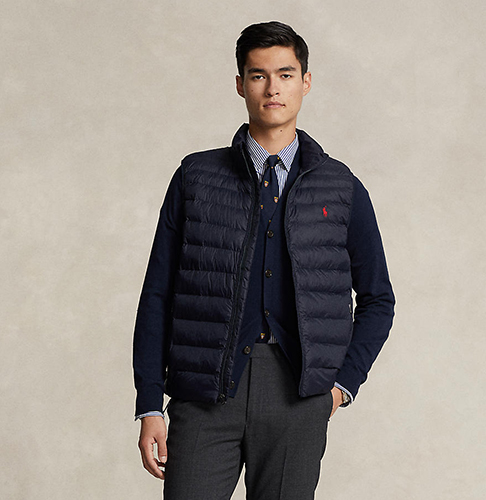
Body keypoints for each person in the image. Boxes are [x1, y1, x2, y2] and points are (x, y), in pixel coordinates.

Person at [133, 21, 395, 500]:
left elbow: (379, 298)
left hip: (298, 397)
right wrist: (150, 401)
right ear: (240, 84)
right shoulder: (196, 177)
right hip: (204, 391)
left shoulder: (341, 187)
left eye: (286, 74)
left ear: (306, 82)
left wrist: (341, 385)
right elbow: (157, 294)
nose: (273, 88)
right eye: (258, 75)